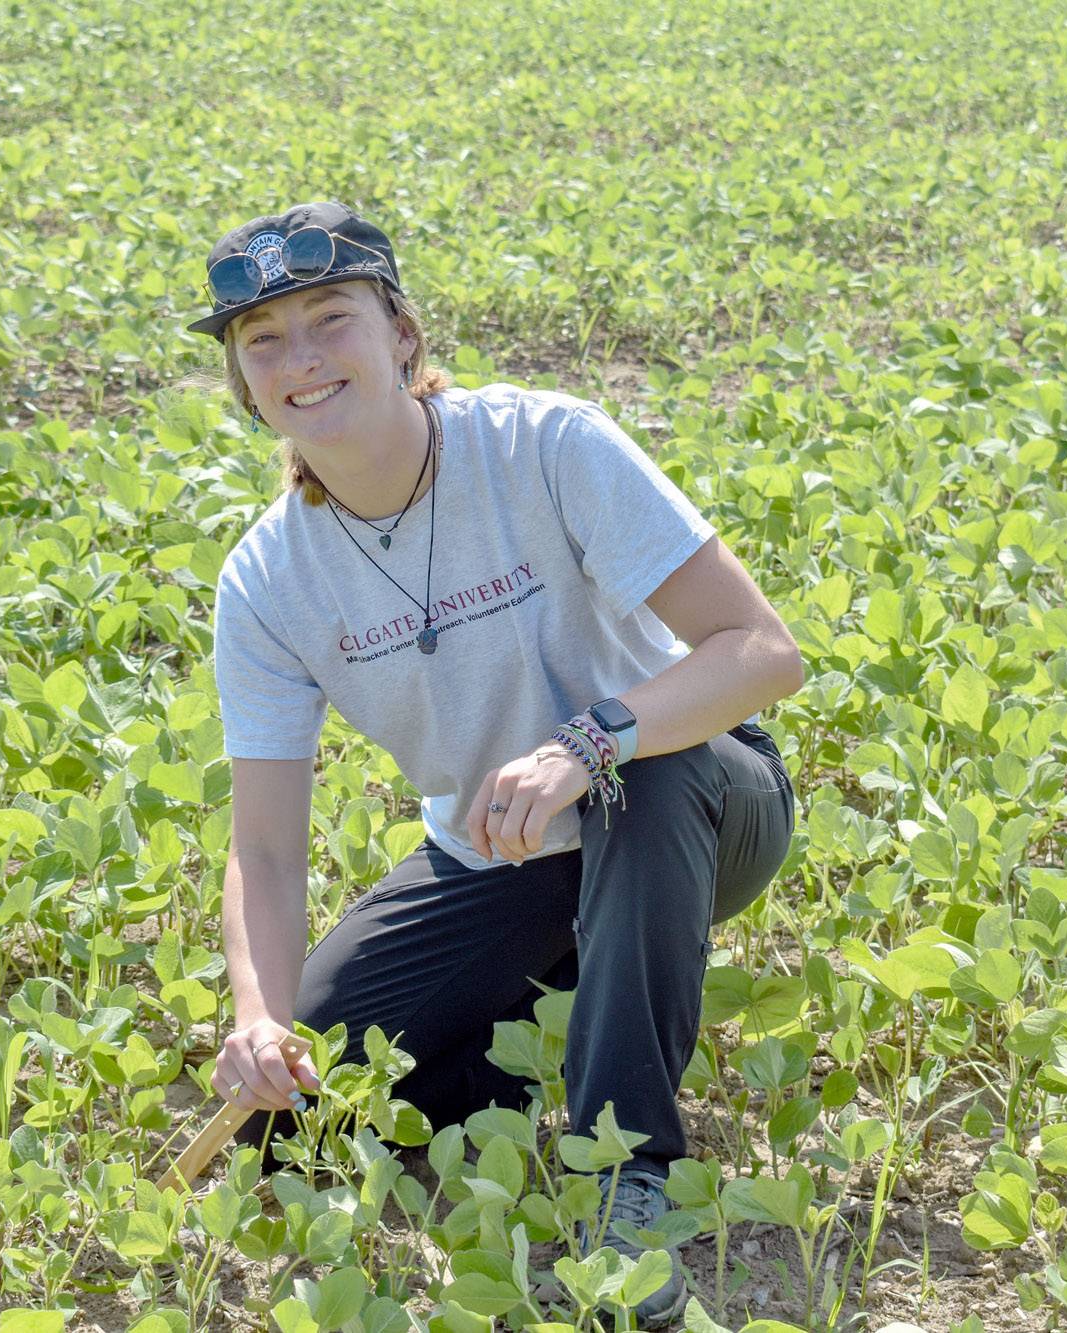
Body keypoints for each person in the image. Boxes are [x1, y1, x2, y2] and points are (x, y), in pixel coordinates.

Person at [189, 200, 802, 1327]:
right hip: (501, 857)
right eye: (262, 340)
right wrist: (260, 1016)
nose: (302, 358)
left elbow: (762, 653)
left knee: (643, 771)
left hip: (699, 797)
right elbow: (266, 849)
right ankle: (552, 1033)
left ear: (404, 336)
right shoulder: (268, 579)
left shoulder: (542, 443)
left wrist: (591, 737)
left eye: (331, 318)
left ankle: (631, 1181)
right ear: (241, 383)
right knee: (301, 1114)